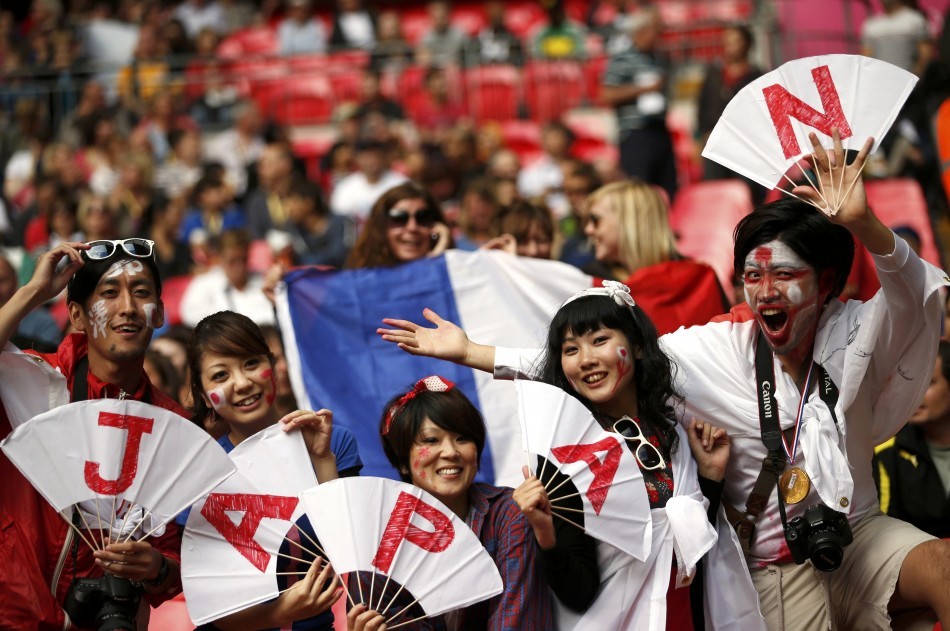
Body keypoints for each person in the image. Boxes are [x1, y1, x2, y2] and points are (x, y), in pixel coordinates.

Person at [376, 131, 950, 629]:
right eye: (753, 275)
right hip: (773, 571)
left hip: (856, 535)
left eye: (784, 274)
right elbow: (588, 364)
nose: (765, 291)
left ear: (826, 282)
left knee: (942, 566)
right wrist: (473, 351)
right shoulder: (714, 348)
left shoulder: (858, 332)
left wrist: (865, 225)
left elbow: (914, 295)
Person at [376, 283, 762, 630]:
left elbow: (695, 548)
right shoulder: (567, 455)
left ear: (639, 345)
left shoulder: (674, 428)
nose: (586, 359)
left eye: (599, 340)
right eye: (571, 350)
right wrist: (544, 531)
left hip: (689, 616)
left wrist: (709, 478)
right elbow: (578, 591)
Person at [0, 238, 185, 628]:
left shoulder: (173, 425)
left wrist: (155, 567)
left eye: (141, 293)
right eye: (110, 293)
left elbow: (176, 562)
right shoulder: (32, 382)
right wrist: (32, 291)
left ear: (160, 314)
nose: (128, 308)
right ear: (78, 316)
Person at [183, 310, 363, 629]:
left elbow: (348, 549)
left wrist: (322, 460)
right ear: (203, 395)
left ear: (274, 366)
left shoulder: (334, 442)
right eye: (221, 376)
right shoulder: (199, 478)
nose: (242, 383)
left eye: (252, 363)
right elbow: (211, 604)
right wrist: (279, 613)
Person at [348, 377, 556, 630]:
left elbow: (516, 620)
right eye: (431, 440)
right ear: (403, 461)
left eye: (462, 438)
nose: (451, 452)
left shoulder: (508, 514)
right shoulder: (378, 542)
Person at [583, 179, 727, 334]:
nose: (588, 230)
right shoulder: (593, 283)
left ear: (629, 222)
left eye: (595, 220)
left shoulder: (701, 279)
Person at [874, 340, 950, 538]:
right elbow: (885, 531)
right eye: (912, 384)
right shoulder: (888, 450)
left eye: (929, 383)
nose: (916, 394)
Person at [601, 6, 677, 201]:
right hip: (636, 133)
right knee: (639, 190)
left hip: (659, 129)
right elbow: (607, 94)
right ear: (641, 31)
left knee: (666, 189)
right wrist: (644, 89)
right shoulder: (621, 58)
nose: (659, 36)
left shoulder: (659, 58)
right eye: (655, 30)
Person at [344, 182, 451, 269]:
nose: (412, 227)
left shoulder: (456, 275)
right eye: (399, 218)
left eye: (422, 218)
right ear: (381, 227)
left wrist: (437, 257)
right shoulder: (358, 282)